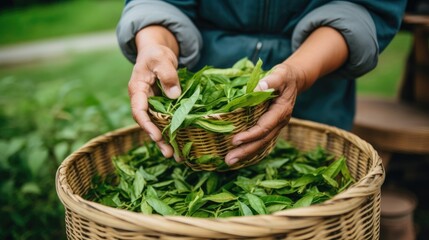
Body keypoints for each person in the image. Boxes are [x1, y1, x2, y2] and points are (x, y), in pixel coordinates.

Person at [116, 0, 407, 165]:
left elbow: (364, 6)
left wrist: (300, 72)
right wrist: (155, 45)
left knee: (314, 192)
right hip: (197, 131)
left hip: (316, 94)